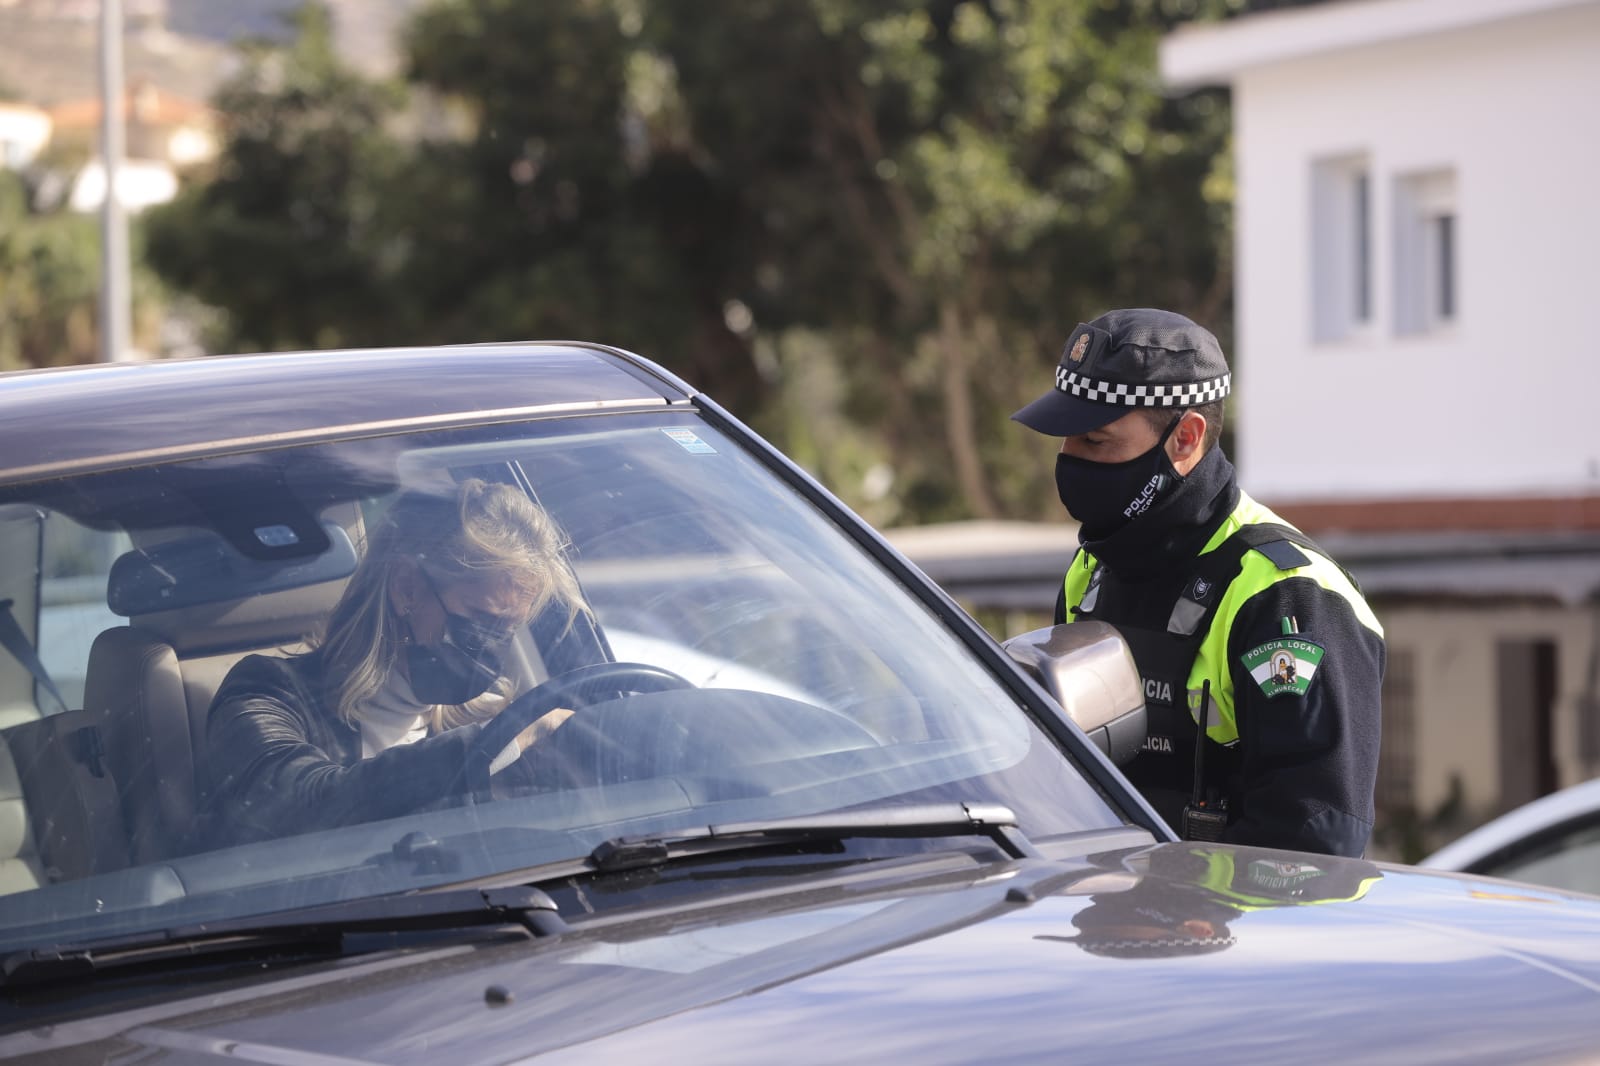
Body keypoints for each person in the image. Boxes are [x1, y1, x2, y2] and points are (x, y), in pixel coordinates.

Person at [1012, 308, 1384, 857]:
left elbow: (1311, 851)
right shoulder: (1091, 572)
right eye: (1065, 442)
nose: (1069, 461)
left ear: (1185, 439)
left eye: (1094, 441)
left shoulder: (1289, 596)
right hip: (1101, 921)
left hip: (1226, 935)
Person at [206, 478, 590, 845]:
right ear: (406, 587)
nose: (491, 645)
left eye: (507, 629)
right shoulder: (268, 691)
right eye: (480, 619)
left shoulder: (488, 716)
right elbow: (294, 809)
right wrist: (496, 741)